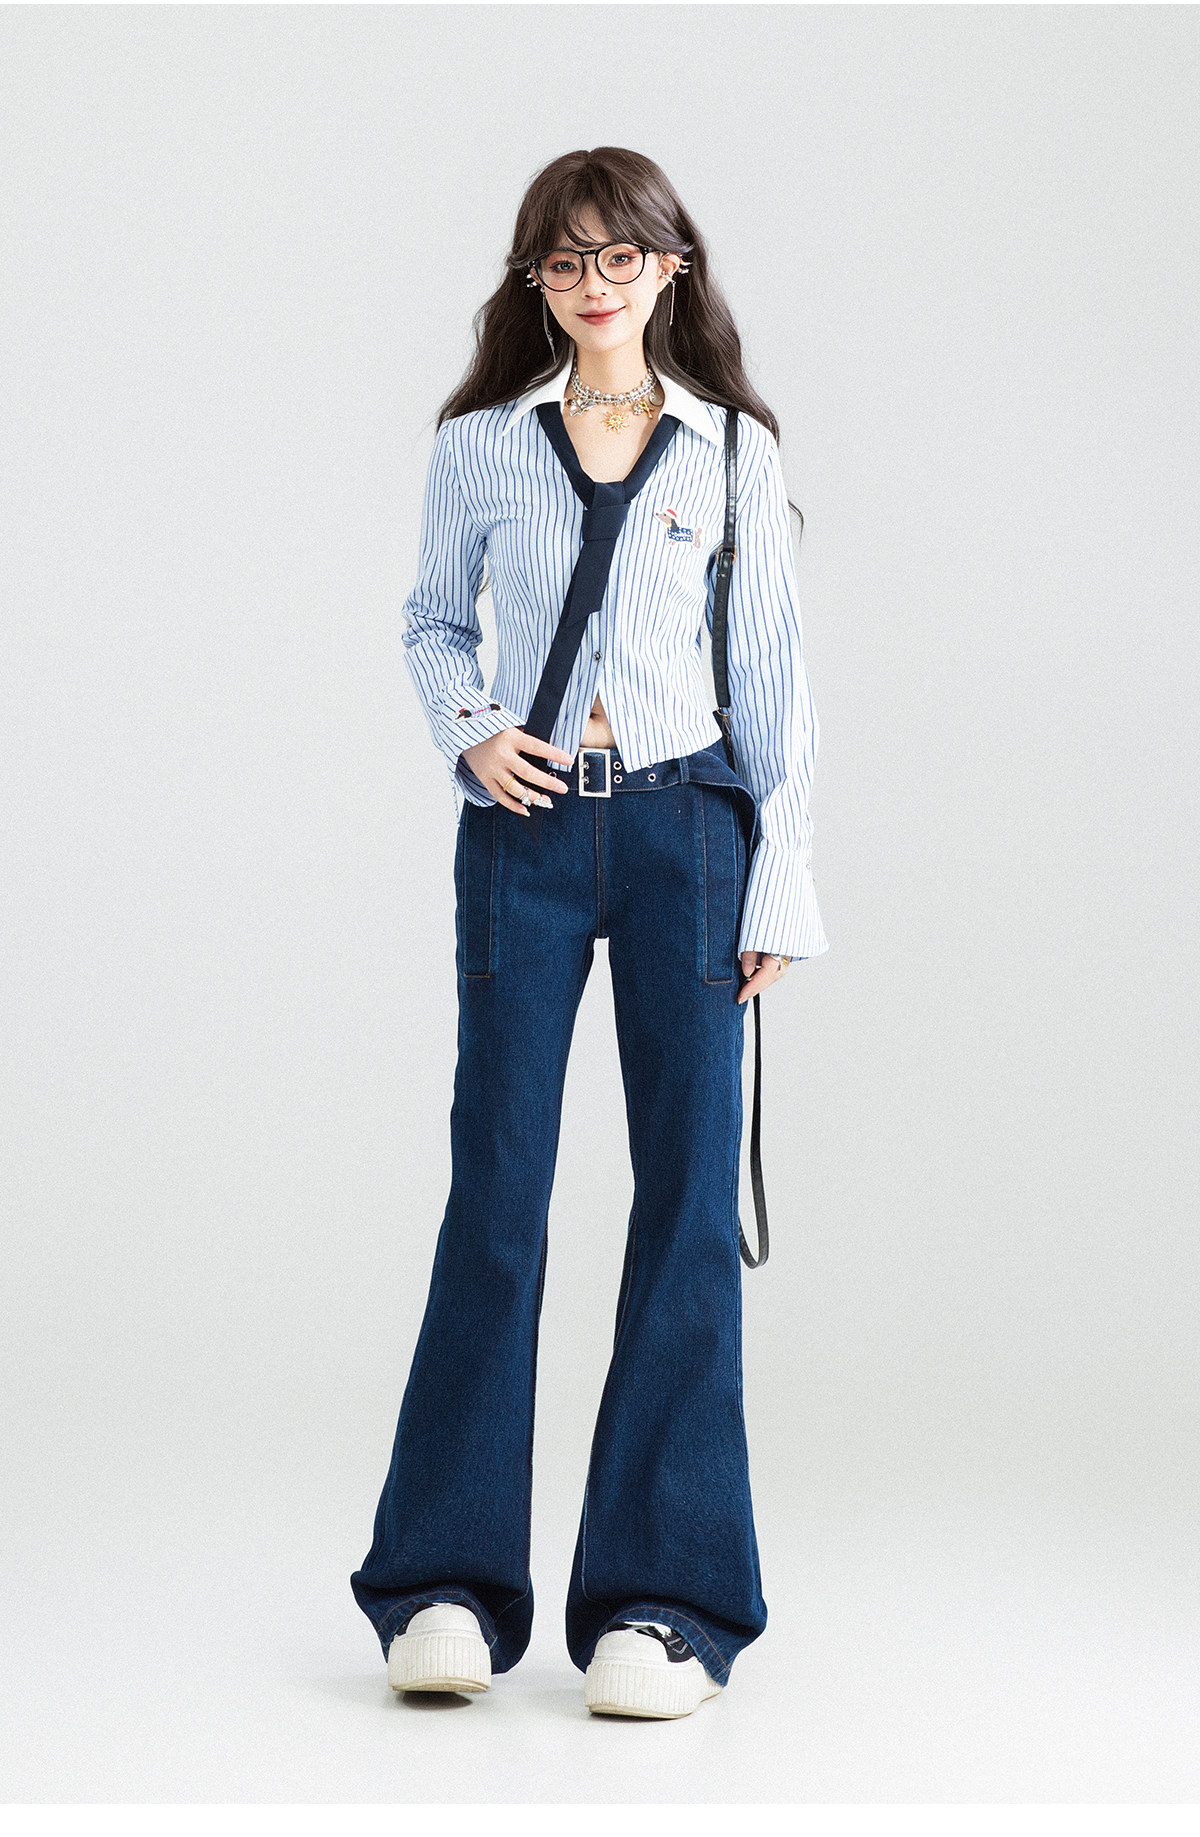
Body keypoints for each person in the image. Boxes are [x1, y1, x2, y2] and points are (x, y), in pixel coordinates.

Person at [350, 146, 829, 1720]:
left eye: (621, 254)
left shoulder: (733, 450)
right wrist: (473, 730)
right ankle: (442, 1584)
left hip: (690, 831)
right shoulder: (480, 446)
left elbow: (775, 681)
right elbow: (431, 621)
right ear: (535, 283)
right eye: (564, 260)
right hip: (529, 836)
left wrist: (780, 879)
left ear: (671, 267)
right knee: (497, 1189)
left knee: (686, 1204)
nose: (595, 283)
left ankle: (666, 1604)